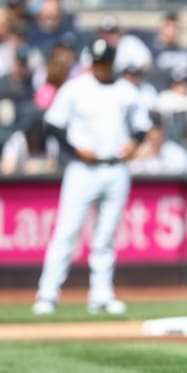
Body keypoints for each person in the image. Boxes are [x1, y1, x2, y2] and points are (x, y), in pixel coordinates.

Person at [32, 38, 152, 316]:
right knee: (66, 231)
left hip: (116, 167)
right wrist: (74, 149)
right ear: (91, 62)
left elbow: (143, 125)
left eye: (105, 62)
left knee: (106, 237)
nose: (101, 67)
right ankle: (47, 293)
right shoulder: (76, 88)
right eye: (97, 62)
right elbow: (52, 123)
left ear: (112, 62)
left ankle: (101, 294)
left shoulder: (126, 91)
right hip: (82, 168)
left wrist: (134, 143)